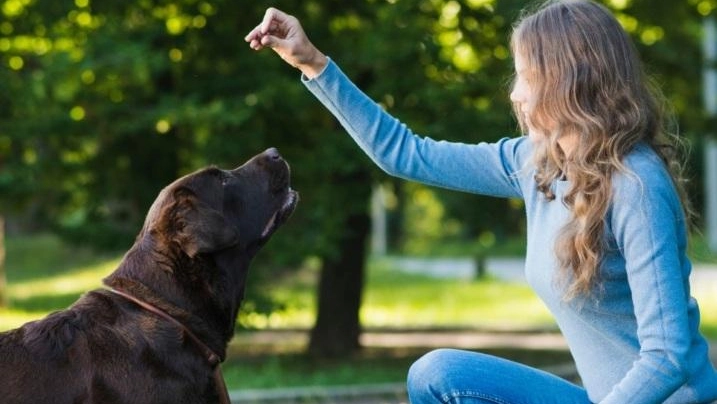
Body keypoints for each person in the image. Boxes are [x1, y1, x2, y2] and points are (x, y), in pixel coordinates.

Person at [245, 0, 717, 402]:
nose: (516, 94)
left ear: (571, 80)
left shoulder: (636, 185)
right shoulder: (538, 164)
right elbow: (406, 153)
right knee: (438, 375)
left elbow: (668, 356)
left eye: (528, 77)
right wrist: (314, 64)